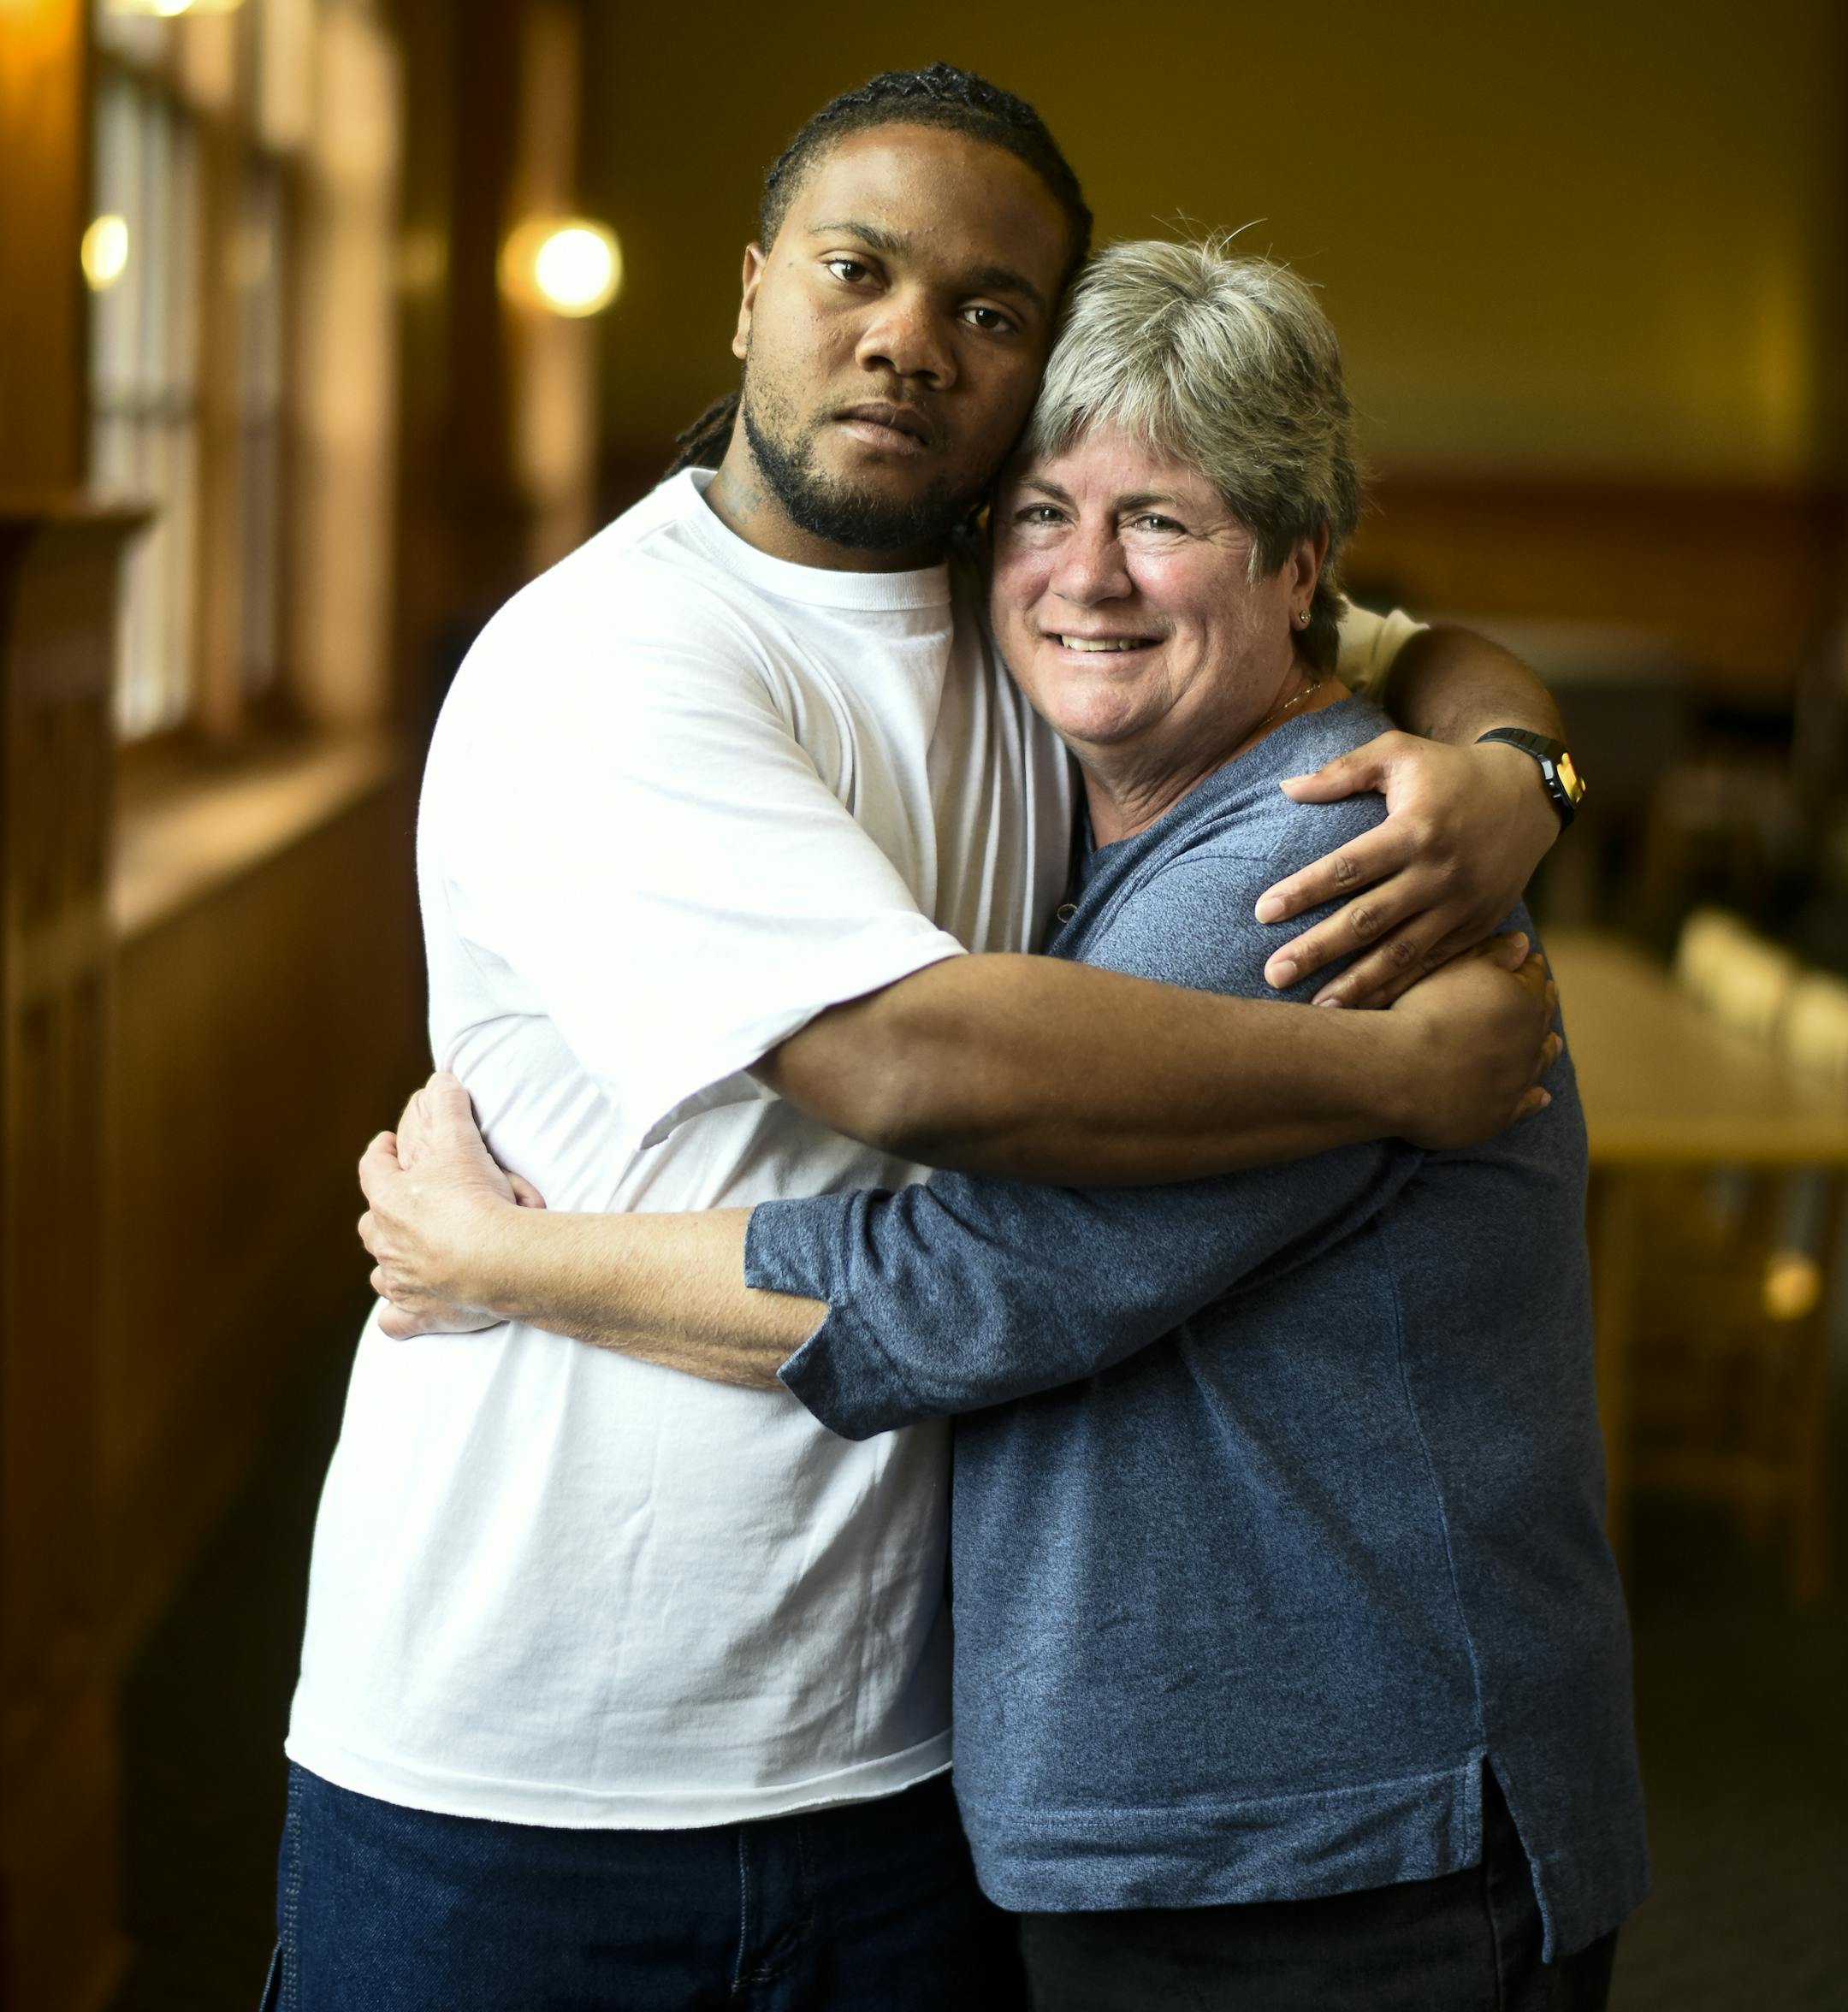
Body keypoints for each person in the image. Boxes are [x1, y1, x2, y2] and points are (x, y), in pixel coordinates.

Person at [287, 63, 1570, 2012]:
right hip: (534, 1756)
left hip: (921, 1767)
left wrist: (1515, 762)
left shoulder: (1078, 663)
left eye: (987, 311)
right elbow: (907, 1062)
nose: (904, 339)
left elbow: (1386, 637)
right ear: (747, 295)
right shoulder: (618, 660)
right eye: (853, 269)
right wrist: (1397, 1068)